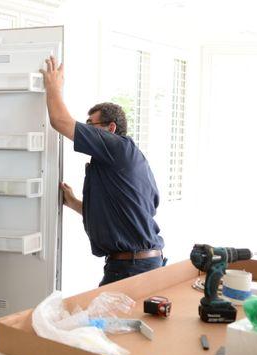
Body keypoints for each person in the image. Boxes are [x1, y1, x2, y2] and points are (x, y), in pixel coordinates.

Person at [40, 56, 165, 286]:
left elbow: (60, 121)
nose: (86, 129)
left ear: (110, 129)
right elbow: (120, 215)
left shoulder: (116, 146)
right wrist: (74, 202)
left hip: (132, 267)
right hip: (137, 264)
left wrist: (53, 86)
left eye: (91, 124)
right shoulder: (125, 159)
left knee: (101, 321)